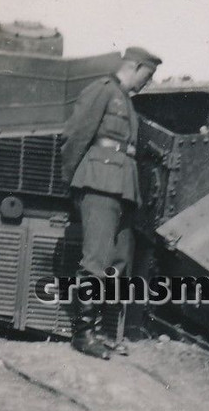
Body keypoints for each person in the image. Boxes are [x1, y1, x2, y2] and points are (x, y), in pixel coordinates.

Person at [60, 46, 162, 360]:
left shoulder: (127, 103)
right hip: (100, 184)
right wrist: (74, 183)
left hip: (123, 189)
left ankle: (104, 332)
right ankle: (83, 334)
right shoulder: (101, 91)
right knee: (95, 261)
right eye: (148, 75)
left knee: (117, 263)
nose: (148, 82)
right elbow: (76, 135)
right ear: (135, 66)